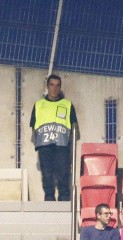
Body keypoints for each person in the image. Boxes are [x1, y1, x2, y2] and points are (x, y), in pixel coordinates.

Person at [30, 73, 76, 201]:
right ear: (47, 86)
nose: (54, 88)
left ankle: (64, 198)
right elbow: (33, 126)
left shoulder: (68, 104)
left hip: (62, 145)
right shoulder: (39, 105)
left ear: (60, 87)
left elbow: (73, 126)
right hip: (44, 146)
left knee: (63, 174)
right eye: (52, 85)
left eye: (57, 85)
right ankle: (49, 198)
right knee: (47, 175)